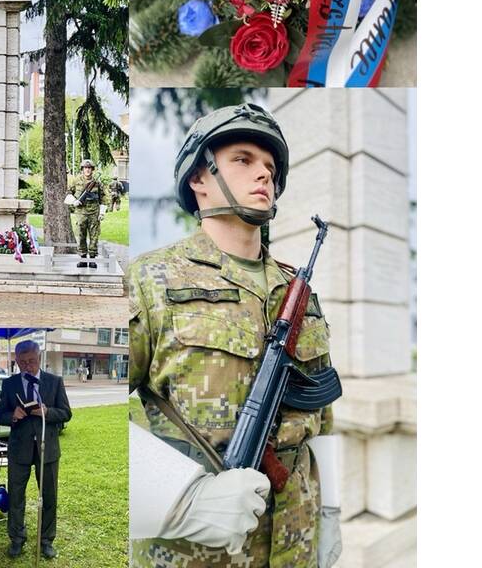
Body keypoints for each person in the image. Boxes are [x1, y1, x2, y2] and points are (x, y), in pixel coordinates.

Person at [128, 103, 343, 568]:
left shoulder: (297, 291)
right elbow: (103, 409)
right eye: (243, 160)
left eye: (270, 167)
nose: (263, 175)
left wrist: (331, 512)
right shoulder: (150, 280)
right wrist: (179, 500)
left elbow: (322, 416)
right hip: (194, 553)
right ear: (199, 179)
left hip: (296, 543)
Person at [0, 341, 72, 559]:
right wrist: (12, 416)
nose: (27, 366)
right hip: (19, 449)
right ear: (16, 360)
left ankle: (46, 540)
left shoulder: (54, 382)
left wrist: (47, 411)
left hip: (47, 449)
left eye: (31, 361)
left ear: (40, 358)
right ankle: (17, 539)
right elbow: (0, 414)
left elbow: (66, 413)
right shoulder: (9, 384)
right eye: (22, 362)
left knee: (49, 497)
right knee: (16, 497)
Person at [68, 158, 105, 268]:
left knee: (94, 236)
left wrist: (102, 212)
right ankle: (83, 258)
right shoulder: (76, 181)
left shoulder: (97, 182)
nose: (87, 170)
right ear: (82, 169)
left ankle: (92, 258)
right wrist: (74, 201)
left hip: (94, 213)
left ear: (92, 169)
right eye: (85, 168)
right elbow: (69, 192)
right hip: (81, 213)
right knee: (81, 235)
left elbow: (103, 197)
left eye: (89, 168)